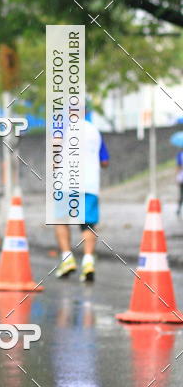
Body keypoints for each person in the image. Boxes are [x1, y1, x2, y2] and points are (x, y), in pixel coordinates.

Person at [55, 116, 109, 282]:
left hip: (66, 183)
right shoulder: (94, 131)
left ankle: (67, 258)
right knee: (88, 224)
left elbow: (55, 151)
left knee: (60, 220)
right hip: (90, 184)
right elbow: (105, 161)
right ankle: (88, 263)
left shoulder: (63, 128)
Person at [176, 149, 183, 217]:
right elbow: (178, 166)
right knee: (181, 194)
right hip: (181, 178)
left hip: (181, 178)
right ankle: (178, 209)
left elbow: (178, 167)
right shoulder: (179, 155)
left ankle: (179, 209)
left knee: (181, 194)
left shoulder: (179, 155)